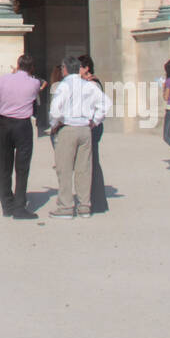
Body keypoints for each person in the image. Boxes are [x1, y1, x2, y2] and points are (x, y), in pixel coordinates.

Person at [49, 54, 110, 218]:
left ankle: (66, 207)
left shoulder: (64, 85)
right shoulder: (89, 85)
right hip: (85, 129)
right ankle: (84, 206)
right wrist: (95, 121)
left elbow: (55, 110)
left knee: (65, 169)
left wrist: (55, 124)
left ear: (65, 69)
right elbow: (106, 104)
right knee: (84, 169)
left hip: (68, 127)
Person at [0, 55, 45, 219]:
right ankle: (20, 206)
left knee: (4, 166)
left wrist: (13, 76)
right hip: (23, 125)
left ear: (18, 65)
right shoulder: (34, 83)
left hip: (5, 123)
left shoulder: (4, 79)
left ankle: (7, 205)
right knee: (22, 167)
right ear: (32, 68)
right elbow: (38, 87)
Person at [79, 54, 109, 213]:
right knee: (90, 163)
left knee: (92, 163)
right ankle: (95, 200)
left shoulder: (93, 84)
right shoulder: (89, 83)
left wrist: (93, 122)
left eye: (79, 67)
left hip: (92, 126)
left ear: (86, 68)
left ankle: (97, 202)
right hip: (92, 125)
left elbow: (100, 106)